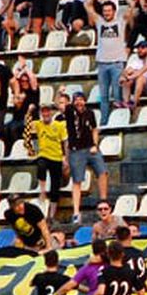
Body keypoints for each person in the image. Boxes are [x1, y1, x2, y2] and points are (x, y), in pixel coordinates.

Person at [63, 89, 108, 225]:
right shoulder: (70, 111)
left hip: (90, 147)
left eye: (81, 99)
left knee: (102, 172)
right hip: (76, 150)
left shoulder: (90, 113)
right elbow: (60, 105)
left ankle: (103, 200)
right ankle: (76, 211)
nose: (79, 102)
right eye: (76, 100)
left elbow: (94, 129)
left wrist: (95, 144)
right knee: (77, 181)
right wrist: (61, 93)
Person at [26, 102, 67, 218]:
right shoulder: (38, 124)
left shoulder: (59, 125)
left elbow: (65, 141)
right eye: (43, 111)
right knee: (41, 165)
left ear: (51, 112)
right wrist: (30, 111)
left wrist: (65, 157)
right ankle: (42, 191)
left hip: (57, 156)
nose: (46, 114)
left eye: (47, 111)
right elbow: (27, 124)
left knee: (55, 186)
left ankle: (52, 214)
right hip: (44, 154)